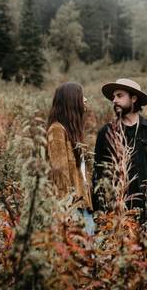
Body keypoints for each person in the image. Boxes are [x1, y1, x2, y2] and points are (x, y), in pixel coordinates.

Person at [91, 78, 147, 223]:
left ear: (133, 98)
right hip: (116, 210)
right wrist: (101, 210)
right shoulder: (106, 132)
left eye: (119, 96)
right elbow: (98, 173)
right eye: (113, 97)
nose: (114, 100)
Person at [46, 82, 95, 234]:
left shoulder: (72, 131)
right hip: (72, 206)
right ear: (71, 100)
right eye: (81, 97)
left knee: (89, 247)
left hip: (82, 202)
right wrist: (66, 211)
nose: (85, 100)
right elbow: (59, 172)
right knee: (83, 247)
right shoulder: (57, 130)